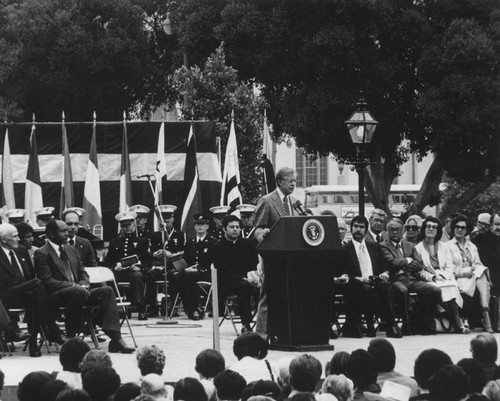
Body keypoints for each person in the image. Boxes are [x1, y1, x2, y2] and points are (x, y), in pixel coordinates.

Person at [35, 219, 135, 353]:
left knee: (106, 291)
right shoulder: (42, 253)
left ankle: (116, 338)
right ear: (52, 234)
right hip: (56, 294)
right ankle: (72, 336)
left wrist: (83, 284)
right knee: (77, 291)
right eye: (63, 231)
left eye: (67, 230)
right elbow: (48, 281)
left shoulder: (71, 249)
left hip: (79, 291)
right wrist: (75, 285)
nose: (68, 233)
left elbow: (83, 273)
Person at [0, 222, 63, 357]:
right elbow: (5, 282)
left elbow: (29, 274)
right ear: (4, 240)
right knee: (37, 283)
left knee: (32, 295)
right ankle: (50, 326)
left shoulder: (21, 250)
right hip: (6, 295)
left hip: (25, 291)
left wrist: (26, 285)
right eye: (15, 236)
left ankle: (33, 345)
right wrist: (26, 284)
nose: (18, 239)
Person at [253, 167, 298, 338]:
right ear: (280, 181)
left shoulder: (293, 202)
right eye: (290, 180)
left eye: (295, 181)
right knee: (268, 293)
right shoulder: (267, 200)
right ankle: (261, 334)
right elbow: (257, 229)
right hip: (273, 256)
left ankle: (284, 330)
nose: (293, 184)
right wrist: (263, 235)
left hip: (291, 257)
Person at [341, 215, 402, 338]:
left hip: (374, 280)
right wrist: (356, 278)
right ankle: (368, 326)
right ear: (351, 229)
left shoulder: (374, 246)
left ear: (365, 230)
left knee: (386, 286)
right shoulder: (345, 249)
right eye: (355, 227)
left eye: (361, 227)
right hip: (356, 282)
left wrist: (384, 273)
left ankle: (390, 324)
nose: (358, 230)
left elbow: (383, 266)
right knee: (365, 288)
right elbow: (343, 272)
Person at [380, 218, 441, 335]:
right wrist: (408, 260)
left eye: (397, 229)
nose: (394, 232)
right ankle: (406, 325)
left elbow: (419, 264)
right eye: (391, 230)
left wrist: (402, 264)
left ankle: (422, 321)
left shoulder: (410, 245)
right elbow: (391, 263)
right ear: (387, 231)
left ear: (402, 230)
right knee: (403, 291)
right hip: (396, 280)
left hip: (412, 279)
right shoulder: (384, 246)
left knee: (435, 290)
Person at [414, 216, 468, 333]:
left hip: (445, 277)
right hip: (430, 279)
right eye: (428, 226)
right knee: (440, 288)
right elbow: (419, 271)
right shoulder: (417, 248)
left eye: (434, 227)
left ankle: (454, 320)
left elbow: (450, 266)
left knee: (452, 286)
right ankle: (458, 323)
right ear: (423, 229)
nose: (431, 229)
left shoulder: (444, 246)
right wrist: (433, 277)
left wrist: (443, 276)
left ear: (438, 230)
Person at [212, 215, 259, 333]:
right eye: (231, 227)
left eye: (237, 227)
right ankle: (246, 324)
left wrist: (254, 277)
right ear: (224, 229)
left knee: (264, 287)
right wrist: (245, 279)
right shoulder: (218, 247)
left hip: (248, 280)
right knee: (243, 287)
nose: (235, 229)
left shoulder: (247, 244)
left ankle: (263, 323)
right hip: (227, 283)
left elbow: (254, 264)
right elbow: (224, 272)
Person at [447, 214, 492, 332]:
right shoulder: (447, 246)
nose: (459, 229)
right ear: (453, 228)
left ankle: (485, 311)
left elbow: (477, 263)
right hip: (458, 277)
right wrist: (464, 272)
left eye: (463, 227)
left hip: (472, 276)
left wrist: (473, 270)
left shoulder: (472, 246)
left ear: (467, 230)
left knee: (481, 271)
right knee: (483, 280)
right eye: (457, 227)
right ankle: (485, 313)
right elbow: (448, 267)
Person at [104, 211, 151, 320]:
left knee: (136, 275)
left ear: (134, 225)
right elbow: (108, 261)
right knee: (110, 277)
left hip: (134, 272)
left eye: (129, 225)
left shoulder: (142, 241)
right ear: (121, 227)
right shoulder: (115, 242)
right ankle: (115, 308)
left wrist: (139, 266)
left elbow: (148, 261)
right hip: (120, 272)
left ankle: (141, 308)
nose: (127, 228)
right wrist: (115, 266)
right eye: (124, 226)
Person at [145, 205, 186, 317]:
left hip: (173, 265)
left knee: (175, 275)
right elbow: (150, 253)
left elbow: (183, 252)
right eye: (163, 218)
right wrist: (155, 254)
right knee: (150, 274)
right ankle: (152, 307)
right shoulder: (155, 235)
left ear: (173, 219)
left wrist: (171, 255)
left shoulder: (180, 234)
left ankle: (173, 306)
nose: (166, 220)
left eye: (168, 217)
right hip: (159, 265)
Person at [175, 214, 217, 320]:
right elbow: (186, 259)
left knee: (188, 276)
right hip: (190, 272)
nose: (200, 227)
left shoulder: (213, 242)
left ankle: (194, 308)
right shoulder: (190, 242)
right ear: (194, 227)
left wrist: (197, 269)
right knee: (178, 276)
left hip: (206, 273)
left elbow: (214, 261)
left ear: (207, 226)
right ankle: (190, 308)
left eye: (202, 224)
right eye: (197, 224)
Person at [473, 213, 500, 331]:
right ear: (491, 225)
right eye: (497, 224)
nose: (499, 227)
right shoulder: (480, 239)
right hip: (487, 274)